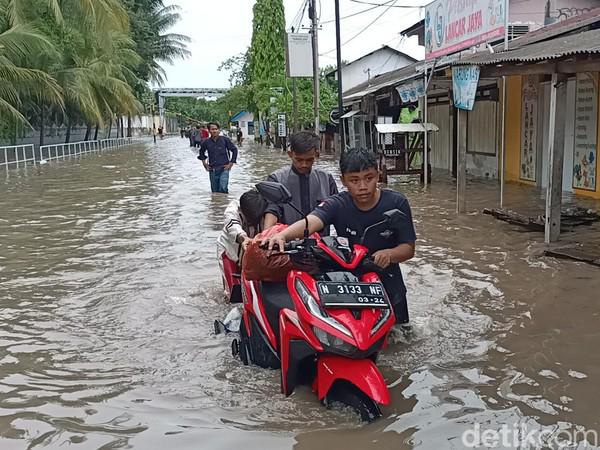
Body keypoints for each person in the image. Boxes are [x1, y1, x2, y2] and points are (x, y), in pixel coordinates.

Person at [261, 147, 416, 329]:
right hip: (350, 285)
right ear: (343, 180)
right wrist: (282, 235)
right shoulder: (338, 203)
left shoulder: (397, 203)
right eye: (354, 180)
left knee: (399, 339)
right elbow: (311, 221)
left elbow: (408, 248)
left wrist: (389, 254)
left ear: (378, 175)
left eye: (369, 178)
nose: (363, 186)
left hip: (389, 284)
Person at [263, 131, 338, 229]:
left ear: (316, 154)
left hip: (320, 241)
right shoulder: (276, 179)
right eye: (299, 160)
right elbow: (272, 210)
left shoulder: (327, 179)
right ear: (290, 154)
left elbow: (337, 210)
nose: (304, 165)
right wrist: (266, 234)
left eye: (309, 160)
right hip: (286, 241)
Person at [217, 189, 268, 267]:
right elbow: (233, 226)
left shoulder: (263, 208)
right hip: (229, 251)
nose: (252, 223)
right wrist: (244, 238)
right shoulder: (232, 212)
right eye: (249, 220)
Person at [198, 122, 238, 194]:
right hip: (212, 169)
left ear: (219, 130)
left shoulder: (225, 140)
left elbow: (234, 150)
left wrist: (231, 163)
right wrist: (204, 164)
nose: (214, 131)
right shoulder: (206, 142)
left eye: (216, 129)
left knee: (223, 187)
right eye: (212, 129)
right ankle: (217, 204)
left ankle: (225, 203)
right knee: (215, 192)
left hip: (224, 168)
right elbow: (201, 152)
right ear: (209, 130)